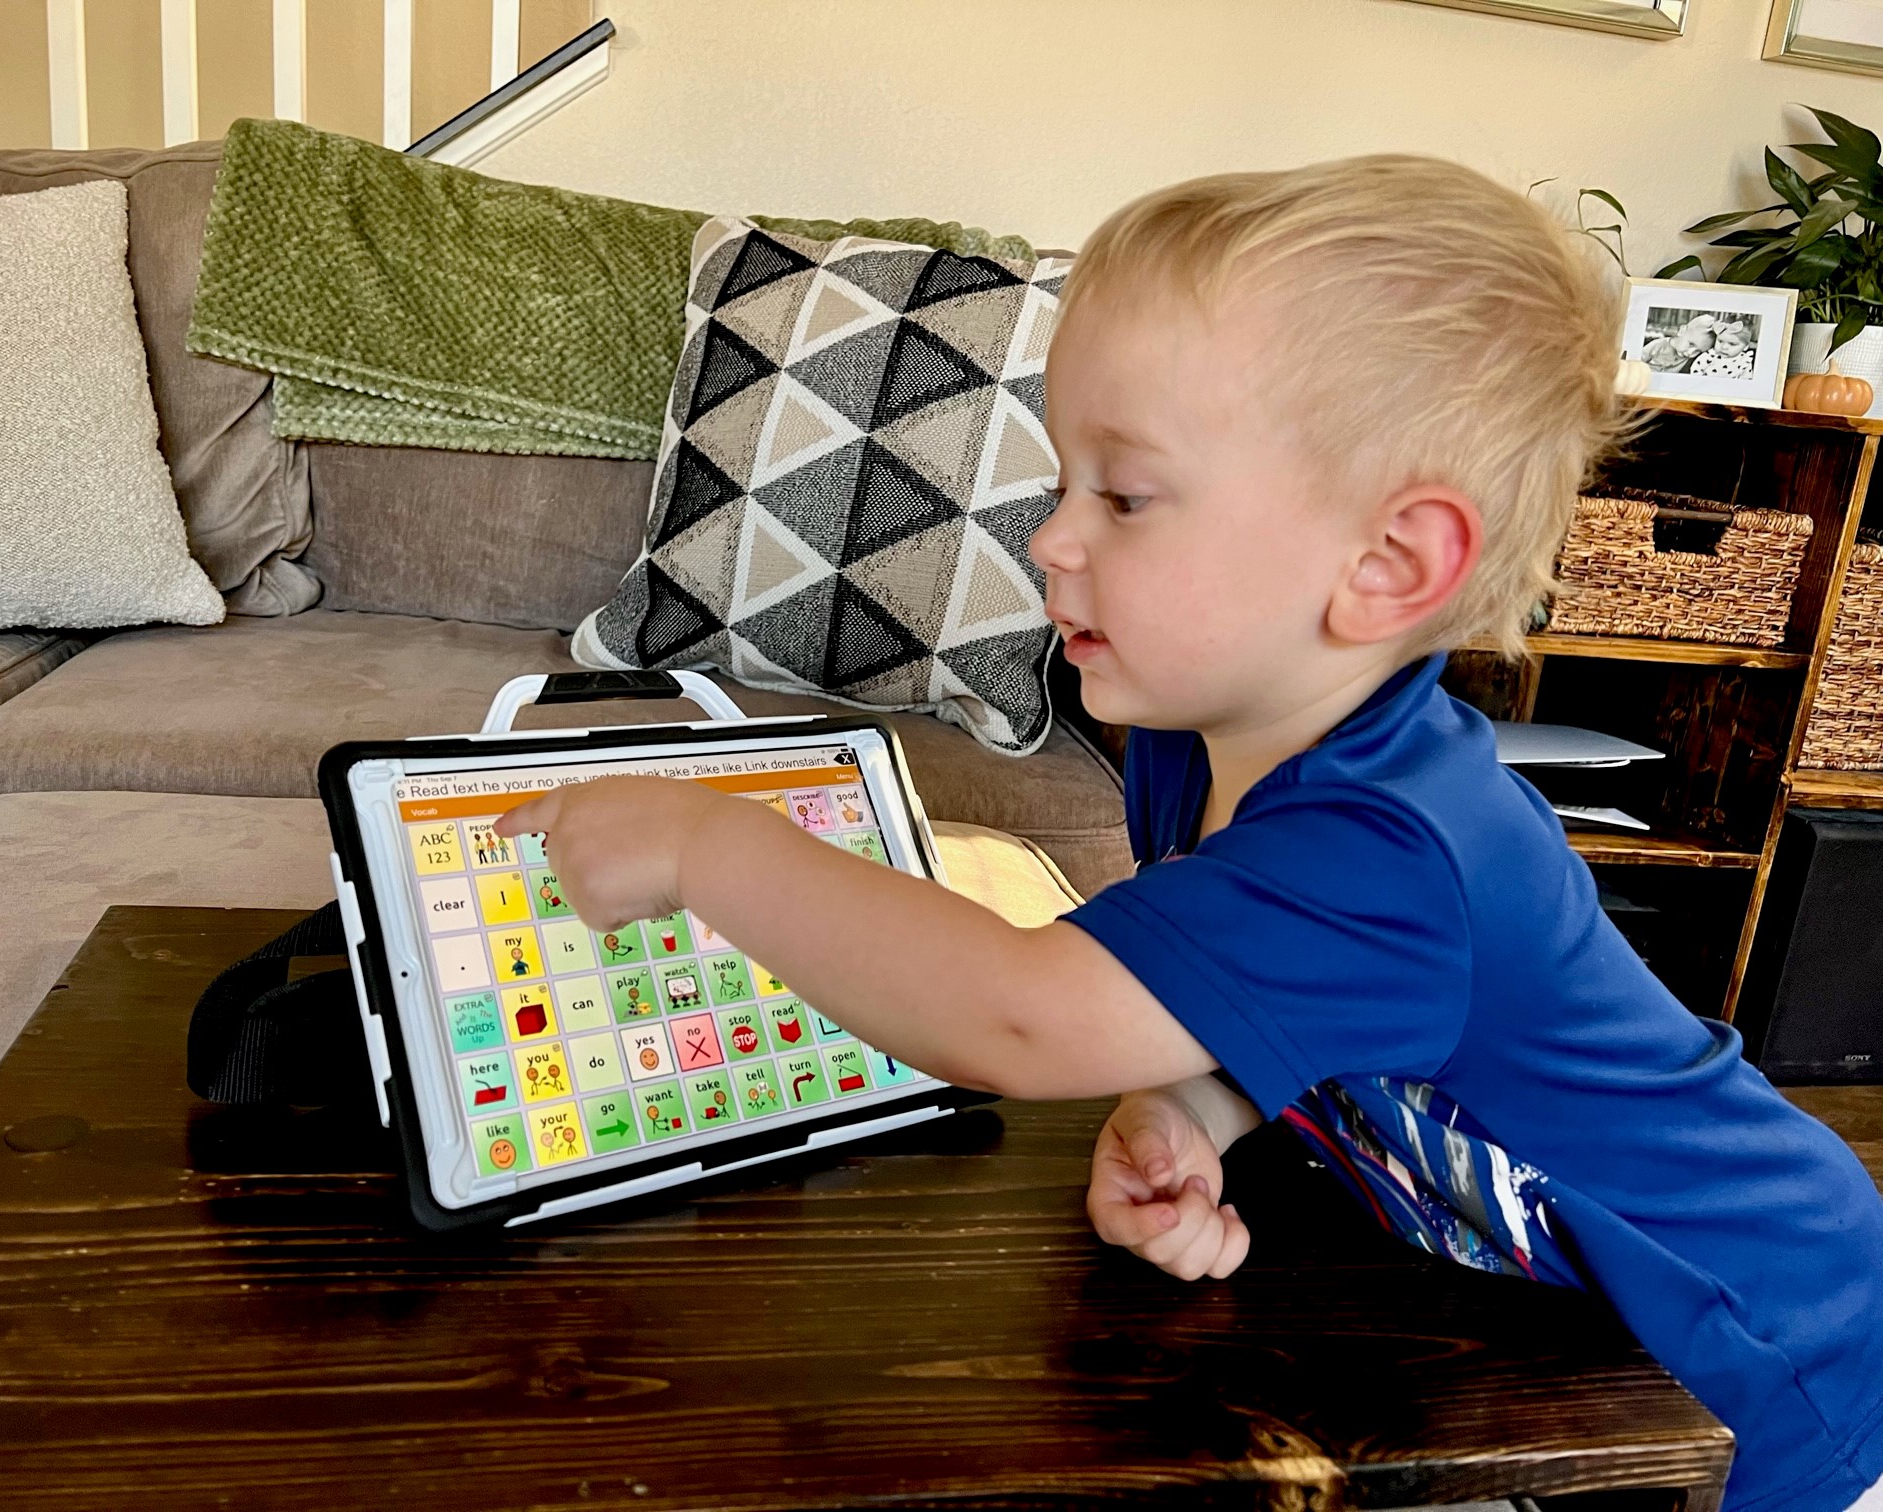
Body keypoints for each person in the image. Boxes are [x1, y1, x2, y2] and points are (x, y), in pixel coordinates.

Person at [496, 156, 1883, 1512]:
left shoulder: (1393, 845)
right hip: (1561, 1318)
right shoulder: (1191, 744)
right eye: (1062, 485)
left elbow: (1020, 1017)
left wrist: (707, 846)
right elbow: (1302, 1018)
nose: (1049, 542)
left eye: (1125, 496)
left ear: (1387, 567)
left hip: (1777, 1349)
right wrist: (1192, 1099)